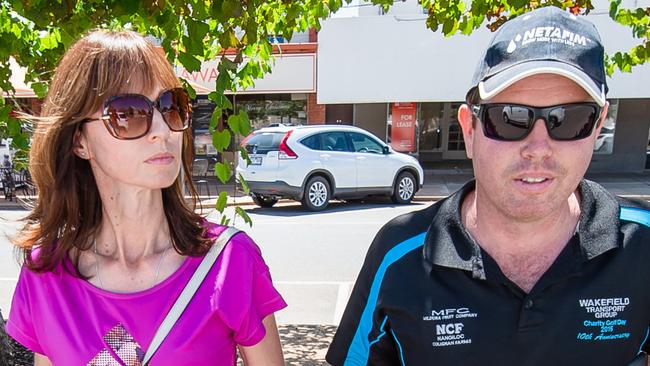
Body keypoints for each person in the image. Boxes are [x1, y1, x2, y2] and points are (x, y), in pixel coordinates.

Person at [327, 6, 650, 365]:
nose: (538, 149)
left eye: (569, 119)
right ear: (469, 129)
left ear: (598, 124)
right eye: (510, 119)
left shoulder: (643, 243)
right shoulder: (399, 252)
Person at [6, 30, 286, 366]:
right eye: (127, 112)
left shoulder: (229, 261)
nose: (163, 130)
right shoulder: (46, 276)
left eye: (170, 106)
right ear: (79, 141)